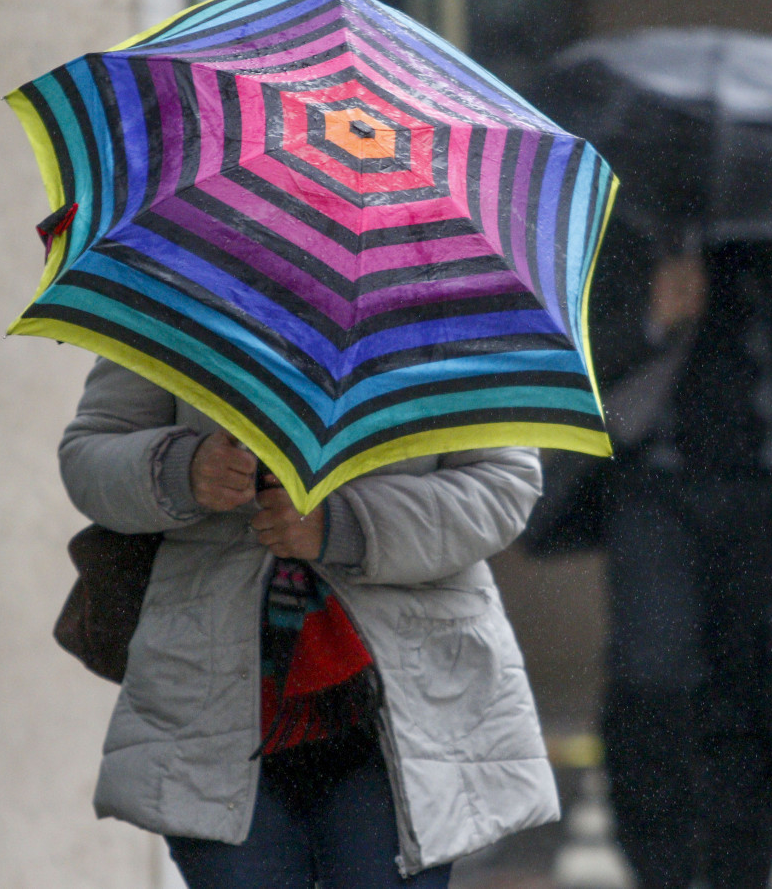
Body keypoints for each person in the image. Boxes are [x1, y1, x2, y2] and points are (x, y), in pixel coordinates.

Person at [59, 357, 555, 888]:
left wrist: (344, 526)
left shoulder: (447, 299)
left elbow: (503, 485)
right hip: (212, 701)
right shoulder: (183, 282)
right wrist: (183, 468)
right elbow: (91, 453)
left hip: (407, 703)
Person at [529, 230, 772, 889]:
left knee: (754, 689)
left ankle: (752, 860)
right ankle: (659, 860)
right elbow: (572, 361)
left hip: (771, 497)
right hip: (652, 491)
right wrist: (654, 318)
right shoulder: (623, 223)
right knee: (648, 679)